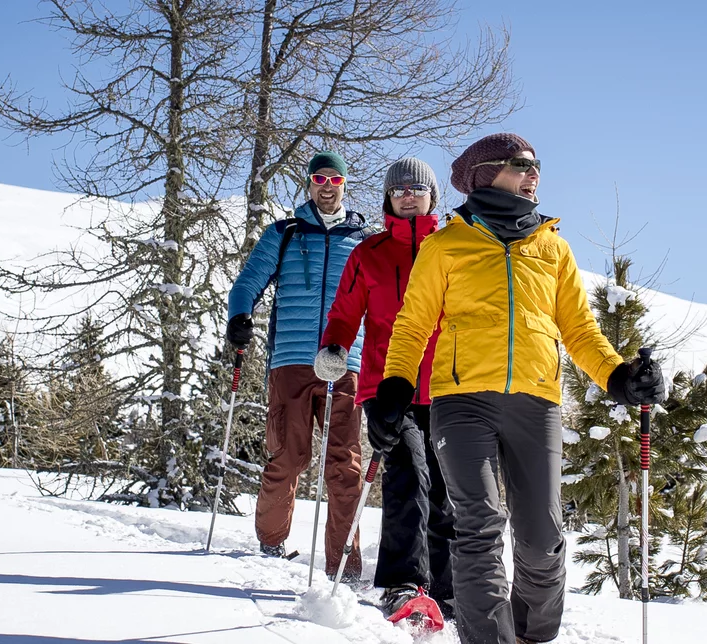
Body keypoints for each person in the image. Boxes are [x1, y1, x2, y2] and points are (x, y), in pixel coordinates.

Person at [368, 134, 667, 644]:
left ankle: (531, 635)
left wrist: (618, 377)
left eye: (536, 166)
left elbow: (579, 330)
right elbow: (412, 325)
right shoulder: (446, 245)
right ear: (486, 173)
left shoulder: (552, 247)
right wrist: (393, 388)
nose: (533, 174)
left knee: (542, 538)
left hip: (536, 403)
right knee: (479, 527)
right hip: (462, 403)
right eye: (519, 165)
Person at [314, 158, 455, 616]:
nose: (408, 195)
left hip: (447, 390)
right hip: (385, 388)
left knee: (448, 490)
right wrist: (334, 346)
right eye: (399, 190)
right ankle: (403, 584)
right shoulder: (369, 253)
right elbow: (345, 310)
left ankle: (450, 592)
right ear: (388, 198)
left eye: (417, 189)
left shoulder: (454, 250)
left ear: (433, 196)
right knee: (409, 475)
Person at [226, 151, 371, 581]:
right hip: (290, 360)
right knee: (287, 455)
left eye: (335, 179)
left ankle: (343, 565)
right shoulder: (283, 235)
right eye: (319, 179)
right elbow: (247, 283)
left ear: (345, 184)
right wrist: (239, 316)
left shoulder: (362, 240)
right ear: (309, 184)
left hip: (345, 363)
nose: (327, 186)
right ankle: (270, 543)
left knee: (345, 465)